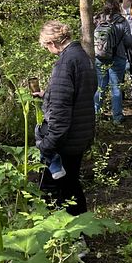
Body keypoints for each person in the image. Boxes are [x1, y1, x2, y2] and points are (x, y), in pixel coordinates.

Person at [35, 20, 97, 214]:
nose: (48, 50)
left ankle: (72, 235)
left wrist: (47, 143)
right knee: (71, 183)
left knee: (58, 189)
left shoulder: (66, 62)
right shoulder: (83, 57)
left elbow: (61, 114)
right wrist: (48, 94)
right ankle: (81, 229)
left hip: (66, 139)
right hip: (81, 132)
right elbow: (79, 95)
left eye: (46, 46)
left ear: (52, 43)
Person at [94, 0, 132, 125]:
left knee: (100, 86)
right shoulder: (122, 21)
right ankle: (117, 117)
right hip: (118, 57)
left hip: (99, 56)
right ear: (118, 8)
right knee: (116, 87)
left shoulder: (98, 19)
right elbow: (128, 41)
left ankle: (96, 114)